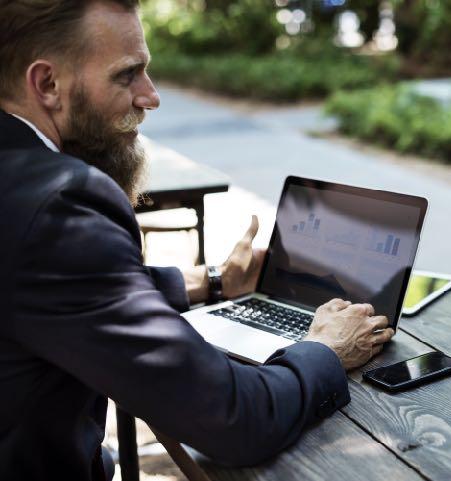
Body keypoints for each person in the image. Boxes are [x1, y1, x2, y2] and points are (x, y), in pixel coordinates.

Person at [0, 1, 395, 480]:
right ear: (46, 84)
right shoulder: (60, 203)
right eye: (128, 76)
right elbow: (234, 421)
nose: (151, 96)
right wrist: (327, 350)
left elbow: (44, 286)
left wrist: (211, 281)